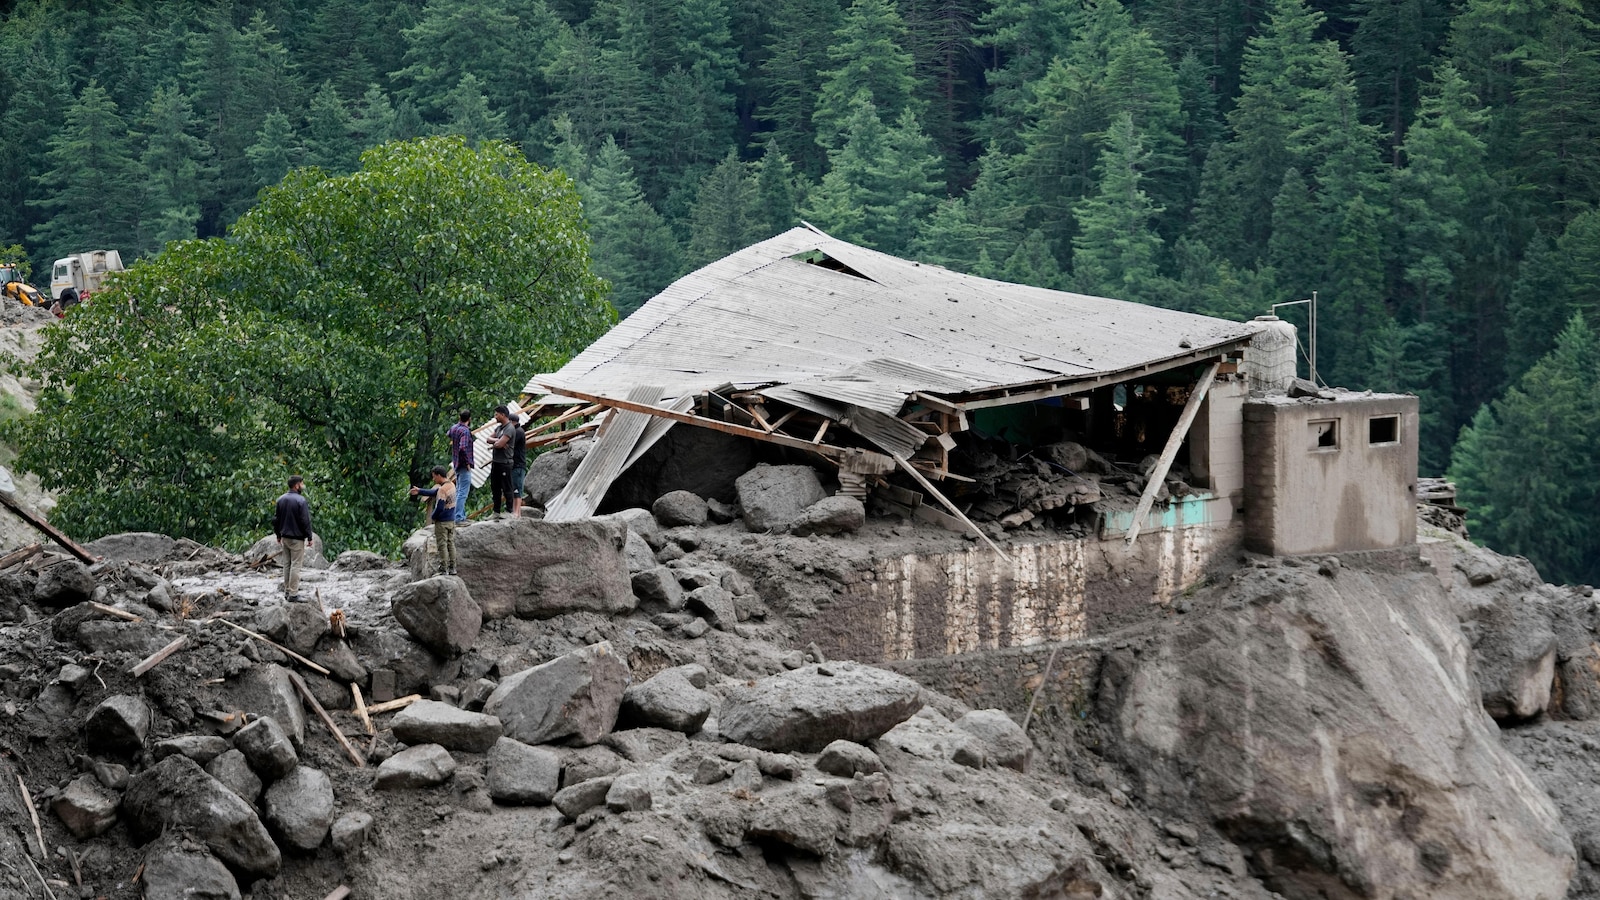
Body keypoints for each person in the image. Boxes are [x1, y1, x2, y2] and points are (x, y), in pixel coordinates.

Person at [410, 465, 459, 575]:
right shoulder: (451, 485)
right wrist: (420, 491)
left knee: (442, 545)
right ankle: (453, 567)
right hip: (451, 520)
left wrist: (433, 516)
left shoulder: (442, 490)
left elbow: (440, 507)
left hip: (442, 522)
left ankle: (443, 568)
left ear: (438, 475)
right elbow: (434, 492)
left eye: (434, 477)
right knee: (450, 544)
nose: (433, 479)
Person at [273, 475, 313, 601]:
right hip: (297, 538)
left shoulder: (280, 500)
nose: (302, 486)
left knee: (287, 565)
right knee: (296, 565)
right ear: (297, 485)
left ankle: (287, 591)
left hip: (285, 537)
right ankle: (293, 594)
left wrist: (278, 535)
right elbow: (305, 520)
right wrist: (309, 537)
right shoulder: (301, 500)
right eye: (301, 483)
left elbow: (276, 520)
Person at [447, 409, 474, 523]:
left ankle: (460, 515)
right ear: (469, 419)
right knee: (463, 492)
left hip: (456, 463)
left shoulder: (454, 428)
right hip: (463, 465)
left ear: (459, 417)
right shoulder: (465, 431)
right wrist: (467, 463)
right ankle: (458, 517)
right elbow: (463, 448)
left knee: (458, 491)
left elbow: (448, 434)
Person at [488, 405, 515, 517]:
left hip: (505, 463)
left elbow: (499, 445)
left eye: (496, 414)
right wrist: (498, 440)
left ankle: (509, 511)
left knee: (507, 487)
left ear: (503, 415)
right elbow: (488, 439)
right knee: (495, 487)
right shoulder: (499, 428)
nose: (495, 417)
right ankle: (496, 511)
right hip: (496, 462)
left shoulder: (509, 428)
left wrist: (498, 442)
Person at [508, 406, 528, 516]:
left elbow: (509, 443)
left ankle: (517, 512)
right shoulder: (515, 431)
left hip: (518, 465)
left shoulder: (518, 432)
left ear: (512, 422)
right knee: (513, 488)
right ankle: (515, 511)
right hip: (513, 465)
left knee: (517, 488)